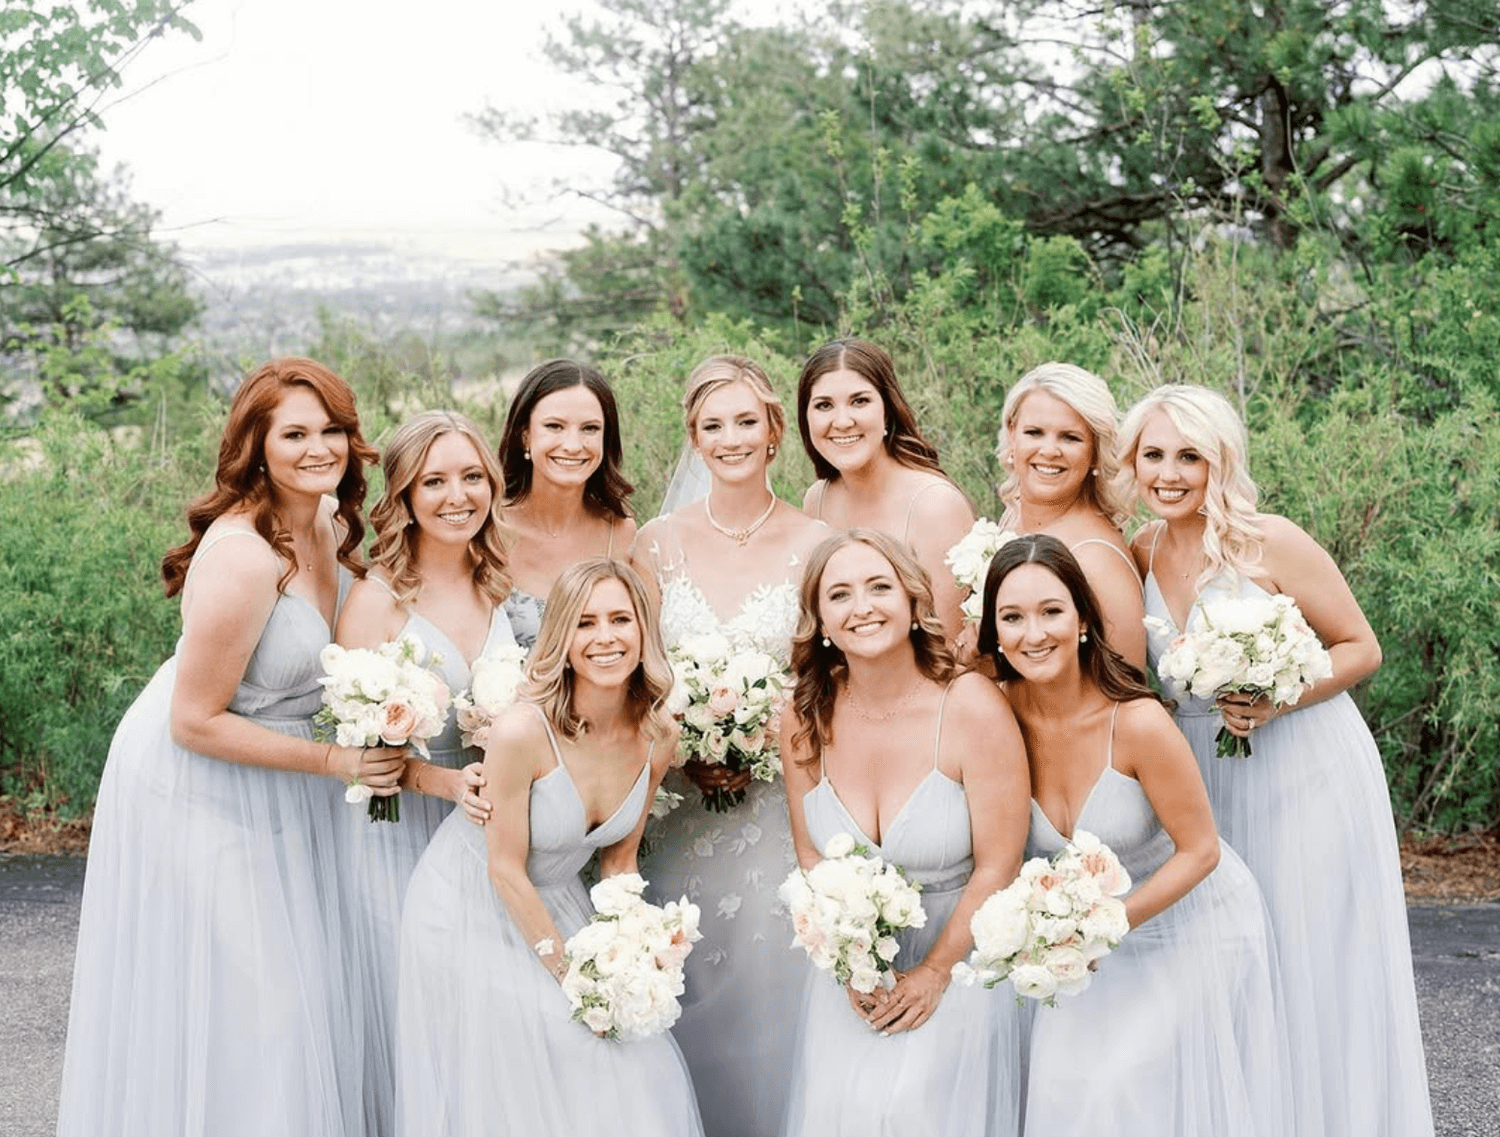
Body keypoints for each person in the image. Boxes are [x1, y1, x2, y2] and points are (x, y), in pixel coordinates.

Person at [56, 358, 402, 1137]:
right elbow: (195, 719)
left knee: (312, 988)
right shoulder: (242, 555)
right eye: (296, 433)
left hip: (282, 775)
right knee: (266, 1002)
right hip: (197, 783)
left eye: (333, 431)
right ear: (255, 444)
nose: (321, 449)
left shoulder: (330, 522)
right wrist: (337, 761)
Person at [1120, 384, 1433, 1136]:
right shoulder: (1138, 549)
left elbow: (1361, 647)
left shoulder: (1271, 540)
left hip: (1302, 767)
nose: (1169, 472)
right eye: (1153, 454)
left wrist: (1275, 699)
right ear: (1132, 462)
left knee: (1307, 953)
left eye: (1188, 455)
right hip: (1200, 770)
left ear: (1219, 460)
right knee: (1228, 959)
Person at [979, 533, 1293, 1136]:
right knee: (1062, 1086)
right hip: (1080, 948)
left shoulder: (1137, 721)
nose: (1033, 633)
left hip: (1190, 926)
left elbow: (1200, 851)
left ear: (1082, 622)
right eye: (1012, 617)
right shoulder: (994, 717)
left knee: (1121, 1088)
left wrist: (1106, 927)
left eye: (1051, 611)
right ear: (994, 631)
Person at [395, 558, 703, 1137]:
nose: (606, 638)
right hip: (468, 904)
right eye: (585, 623)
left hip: (558, 899)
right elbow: (505, 868)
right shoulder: (523, 731)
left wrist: (634, 955)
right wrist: (576, 981)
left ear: (644, 631)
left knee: (637, 1058)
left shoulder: (658, 734)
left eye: (621, 619)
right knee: (553, 1046)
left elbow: (618, 862)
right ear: (562, 637)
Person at [629, 355, 827, 1137]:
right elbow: (633, 674)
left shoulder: (817, 541)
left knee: (774, 996)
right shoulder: (656, 542)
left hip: (779, 809)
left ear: (775, 431)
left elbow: (828, 677)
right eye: (714, 425)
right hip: (678, 809)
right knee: (686, 994)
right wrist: (684, 749)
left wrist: (766, 742)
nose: (731, 438)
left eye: (747, 421)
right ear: (694, 439)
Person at [780, 529, 1028, 1137]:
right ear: (821, 623)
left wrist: (935, 973)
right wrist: (851, 965)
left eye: (879, 587)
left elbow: (1000, 863)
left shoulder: (970, 705)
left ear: (914, 603)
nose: (862, 606)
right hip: (854, 983)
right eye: (840, 595)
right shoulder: (804, 714)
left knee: (918, 1110)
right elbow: (810, 853)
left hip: (958, 965)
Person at [330, 410, 519, 1135]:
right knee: (418, 1007)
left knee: (487, 1012)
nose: (456, 495)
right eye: (433, 481)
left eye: (472, 477)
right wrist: (445, 783)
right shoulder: (378, 600)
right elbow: (364, 752)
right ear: (403, 495)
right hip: (401, 836)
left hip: (492, 833)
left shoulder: (498, 582)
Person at [795, 339, 975, 640]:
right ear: (807, 417)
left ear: (887, 412)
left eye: (859, 401)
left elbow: (953, 648)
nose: (842, 421)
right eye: (824, 405)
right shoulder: (817, 499)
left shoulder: (936, 506)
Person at [995, 362, 1146, 670]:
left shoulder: (1098, 562)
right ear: (1012, 435)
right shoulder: (1011, 520)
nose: (1049, 450)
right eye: (1034, 432)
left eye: (1070, 438)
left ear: (1094, 451)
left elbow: (1129, 696)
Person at [498, 359, 637, 650]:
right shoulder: (488, 530)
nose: (573, 445)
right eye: (554, 426)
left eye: (590, 428)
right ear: (525, 436)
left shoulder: (622, 534)